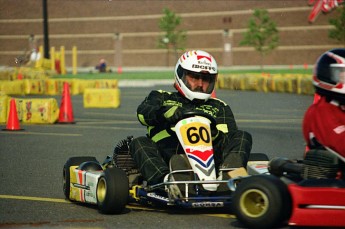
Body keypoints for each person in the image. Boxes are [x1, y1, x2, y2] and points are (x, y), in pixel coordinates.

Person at [129, 50, 252, 192]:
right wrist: (165, 113)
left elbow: (230, 141)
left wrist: (216, 135)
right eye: (194, 77)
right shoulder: (161, 97)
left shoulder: (219, 107)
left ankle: (228, 177)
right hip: (167, 153)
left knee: (243, 136)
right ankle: (168, 182)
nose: (200, 84)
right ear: (181, 75)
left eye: (205, 79)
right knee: (139, 143)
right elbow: (143, 115)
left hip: (210, 159)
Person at [302, 48, 345, 177]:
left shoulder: (340, 108)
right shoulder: (322, 112)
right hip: (333, 180)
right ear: (328, 76)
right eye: (343, 73)